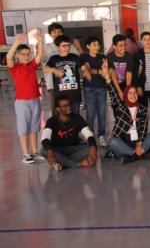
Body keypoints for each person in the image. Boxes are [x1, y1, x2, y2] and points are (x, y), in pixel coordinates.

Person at [99, 59, 150, 164]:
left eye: (135, 93)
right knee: (112, 141)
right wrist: (108, 78)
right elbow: (113, 94)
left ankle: (132, 155)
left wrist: (139, 143)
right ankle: (136, 154)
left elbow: (143, 130)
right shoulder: (120, 107)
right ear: (126, 95)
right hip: (123, 142)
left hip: (138, 142)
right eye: (130, 93)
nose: (133, 95)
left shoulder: (143, 109)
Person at [7, 31, 43, 164]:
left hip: (35, 100)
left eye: (28, 54)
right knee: (23, 128)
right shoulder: (14, 67)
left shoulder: (32, 66)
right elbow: (9, 57)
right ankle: (25, 154)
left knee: (34, 127)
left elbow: (39, 56)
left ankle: (34, 151)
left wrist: (40, 41)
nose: (27, 57)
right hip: (22, 102)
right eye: (23, 54)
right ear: (18, 55)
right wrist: (16, 42)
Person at [40, 94, 98, 170]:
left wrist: (92, 146)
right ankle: (76, 163)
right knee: (43, 150)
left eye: (69, 105)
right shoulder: (52, 121)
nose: (69, 107)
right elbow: (44, 138)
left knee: (92, 147)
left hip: (73, 149)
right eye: (65, 106)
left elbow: (88, 134)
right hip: (58, 149)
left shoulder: (77, 118)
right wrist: (50, 151)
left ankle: (63, 163)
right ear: (58, 109)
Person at [43, 35, 91, 115]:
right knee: (63, 119)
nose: (67, 48)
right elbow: (45, 69)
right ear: (57, 47)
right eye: (64, 46)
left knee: (75, 117)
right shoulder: (54, 59)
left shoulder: (74, 57)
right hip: (61, 97)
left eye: (68, 45)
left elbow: (83, 67)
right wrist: (54, 69)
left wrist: (86, 71)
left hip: (75, 95)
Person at [43, 22, 79, 115]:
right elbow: (45, 63)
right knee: (56, 105)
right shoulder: (47, 47)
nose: (57, 33)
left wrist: (78, 47)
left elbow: (78, 58)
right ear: (50, 34)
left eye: (59, 31)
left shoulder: (69, 45)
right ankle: (57, 127)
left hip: (69, 83)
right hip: (53, 82)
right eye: (54, 32)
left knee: (71, 105)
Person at [81, 36, 107, 147]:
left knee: (102, 113)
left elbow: (104, 71)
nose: (97, 47)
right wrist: (99, 71)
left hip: (101, 88)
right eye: (94, 45)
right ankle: (90, 136)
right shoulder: (84, 57)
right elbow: (87, 69)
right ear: (88, 46)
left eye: (98, 45)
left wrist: (99, 71)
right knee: (90, 113)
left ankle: (101, 136)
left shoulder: (103, 57)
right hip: (89, 88)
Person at [106, 34, 133, 100]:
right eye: (120, 45)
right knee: (116, 106)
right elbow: (113, 74)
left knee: (127, 104)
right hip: (114, 85)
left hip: (125, 84)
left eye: (125, 45)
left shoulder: (129, 57)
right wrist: (119, 91)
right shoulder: (109, 57)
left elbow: (129, 74)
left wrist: (127, 90)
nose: (123, 47)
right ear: (114, 46)